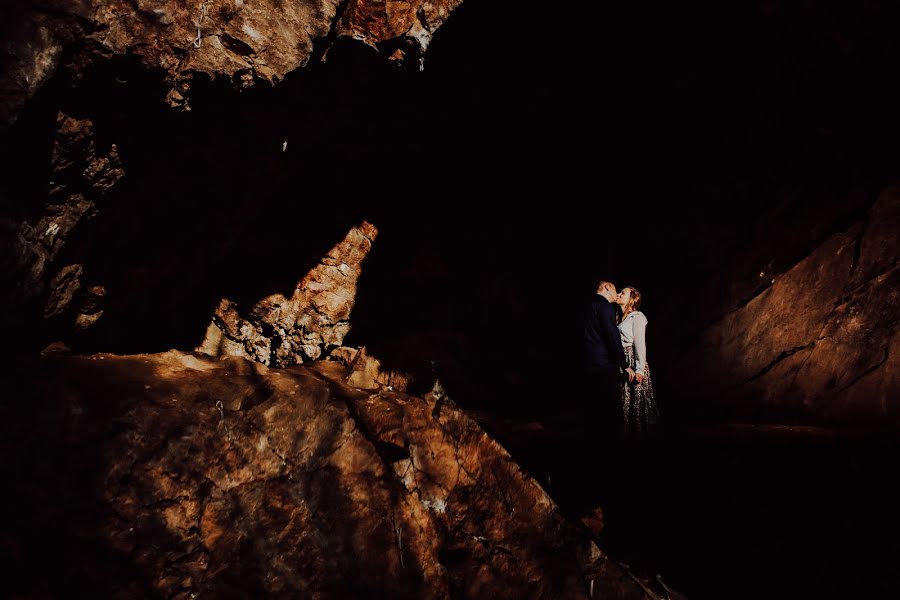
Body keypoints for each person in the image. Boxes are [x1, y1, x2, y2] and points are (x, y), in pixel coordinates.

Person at [583, 280, 635, 440]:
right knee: (612, 412)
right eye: (615, 290)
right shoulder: (605, 306)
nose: (617, 293)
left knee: (593, 410)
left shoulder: (587, 307)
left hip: (588, 364)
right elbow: (612, 337)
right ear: (606, 287)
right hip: (604, 366)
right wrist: (624, 364)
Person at [616, 286, 658, 436]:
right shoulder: (619, 318)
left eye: (623, 293)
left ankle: (640, 434)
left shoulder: (637, 316)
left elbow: (640, 343)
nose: (619, 294)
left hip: (633, 360)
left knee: (636, 400)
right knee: (624, 400)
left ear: (631, 299)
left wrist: (640, 369)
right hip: (623, 361)